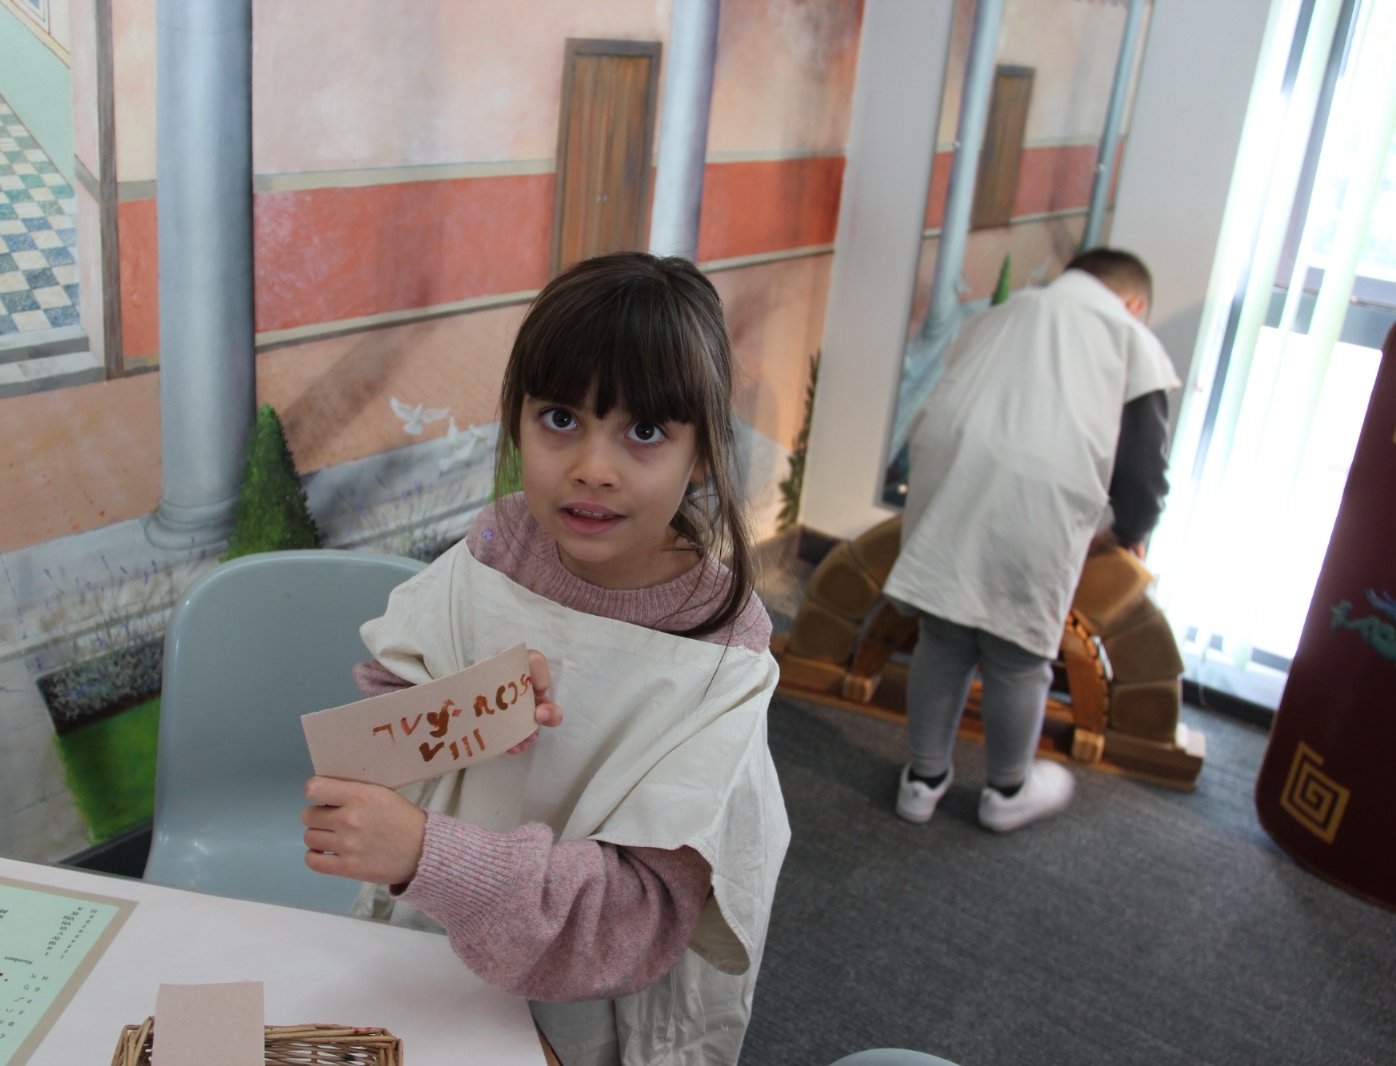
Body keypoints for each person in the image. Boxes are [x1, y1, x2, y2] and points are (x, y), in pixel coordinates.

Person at [299, 252, 790, 1066]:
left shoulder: (719, 656)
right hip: (431, 952)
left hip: (585, 1015)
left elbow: (637, 916)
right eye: (561, 418)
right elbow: (375, 740)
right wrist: (463, 709)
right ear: (517, 421)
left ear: (703, 453)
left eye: (644, 432)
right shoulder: (496, 551)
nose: (592, 469)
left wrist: (428, 852)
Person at [882, 247, 1180, 833]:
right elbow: (1145, 467)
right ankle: (1008, 791)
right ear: (1134, 303)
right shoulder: (1130, 337)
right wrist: (1130, 531)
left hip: (951, 473)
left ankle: (922, 780)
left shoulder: (1005, 312)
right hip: (1038, 497)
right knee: (1018, 656)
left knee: (943, 638)